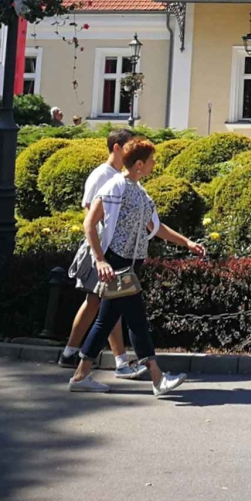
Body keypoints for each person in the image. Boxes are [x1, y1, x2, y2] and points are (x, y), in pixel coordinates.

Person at [68, 137, 206, 396]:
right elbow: (90, 223)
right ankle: (157, 378)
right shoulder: (115, 186)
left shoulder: (140, 191)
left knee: (107, 321)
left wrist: (186, 242)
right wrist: (100, 260)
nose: (155, 164)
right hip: (117, 263)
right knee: (137, 321)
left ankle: (80, 376)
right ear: (140, 164)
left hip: (128, 265)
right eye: (152, 160)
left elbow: (155, 227)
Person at [59, 128, 138, 372]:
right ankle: (116, 360)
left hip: (108, 250)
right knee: (104, 303)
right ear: (117, 148)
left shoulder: (116, 174)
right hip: (102, 251)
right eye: (129, 147)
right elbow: (89, 216)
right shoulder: (102, 175)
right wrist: (99, 255)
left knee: (101, 303)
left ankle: (73, 353)